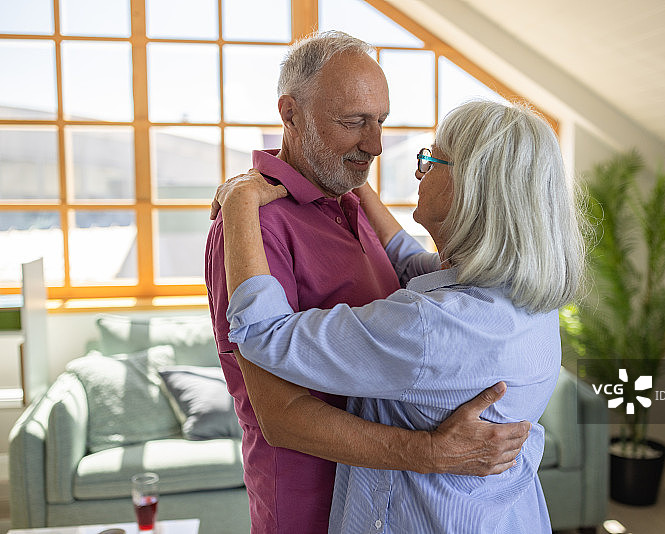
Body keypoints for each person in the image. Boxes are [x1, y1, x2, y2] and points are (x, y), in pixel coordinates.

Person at [205, 31, 530, 533]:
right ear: (290, 114)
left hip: (383, 499)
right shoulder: (254, 227)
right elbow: (281, 414)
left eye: (380, 120)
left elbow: (416, 267)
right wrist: (431, 452)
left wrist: (355, 180)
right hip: (310, 501)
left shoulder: (352, 203)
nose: (375, 144)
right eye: (353, 122)